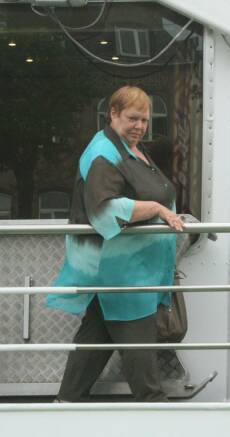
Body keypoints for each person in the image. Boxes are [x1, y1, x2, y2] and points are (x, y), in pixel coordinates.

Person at [47, 86, 184, 402]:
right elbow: (104, 210)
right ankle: (154, 409)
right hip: (124, 275)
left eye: (145, 120)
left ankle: (63, 405)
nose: (140, 126)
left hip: (130, 270)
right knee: (143, 367)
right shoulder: (103, 152)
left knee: (95, 339)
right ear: (113, 113)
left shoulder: (128, 147)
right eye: (133, 118)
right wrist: (158, 209)